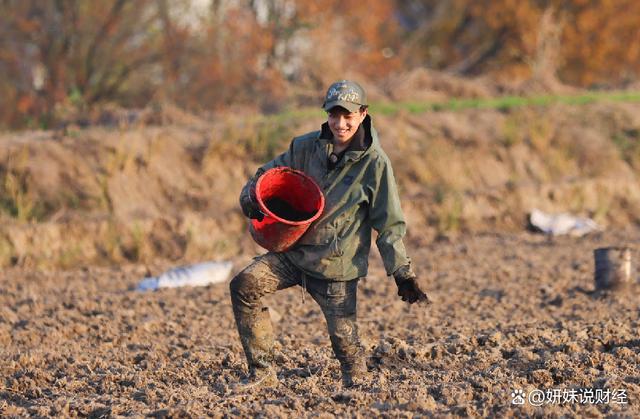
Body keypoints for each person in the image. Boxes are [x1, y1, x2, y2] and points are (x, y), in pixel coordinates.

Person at [230, 80, 429, 390]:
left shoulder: (375, 164)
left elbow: (389, 224)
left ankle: (359, 392)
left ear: (363, 114)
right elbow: (265, 176)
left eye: (348, 115)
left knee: (346, 346)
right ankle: (262, 374)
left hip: (336, 267)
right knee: (245, 285)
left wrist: (403, 273)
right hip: (293, 253)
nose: (340, 123)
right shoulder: (305, 147)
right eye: (334, 115)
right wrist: (249, 198)